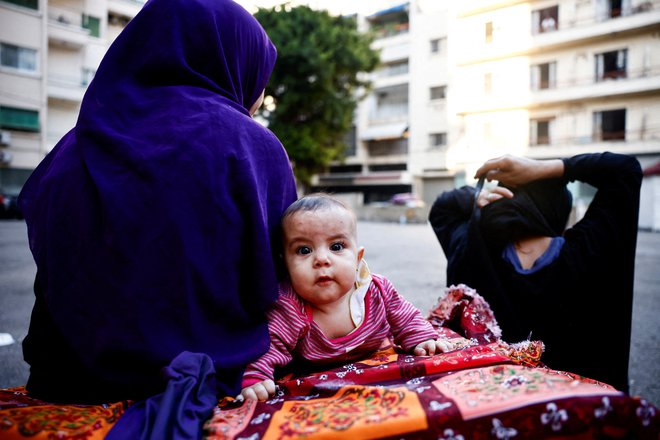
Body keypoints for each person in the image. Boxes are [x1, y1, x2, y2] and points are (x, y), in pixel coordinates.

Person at [17, 0, 297, 435]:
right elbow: (280, 277)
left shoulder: (74, 146)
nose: (259, 92)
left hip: (67, 377)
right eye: (259, 73)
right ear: (227, 60)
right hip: (217, 370)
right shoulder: (250, 145)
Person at [429, 152, 642, 393]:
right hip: (584, 413)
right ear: (558, 210)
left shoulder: (470, 251)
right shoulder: (593, 251)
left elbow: (442, 207)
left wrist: (477, 197)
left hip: (490, 412)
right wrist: (548, 168)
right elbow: (626, 169)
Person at [240, 193, 467, 401]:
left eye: (336, 246)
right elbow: (271, 346)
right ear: (285, 265)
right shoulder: (291, 307)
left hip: (374, 358)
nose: (321, 259)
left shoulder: (375, 289)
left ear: (358, 258)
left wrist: (421, 339)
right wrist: (257, 378)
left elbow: (405, 317)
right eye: (304, 250)